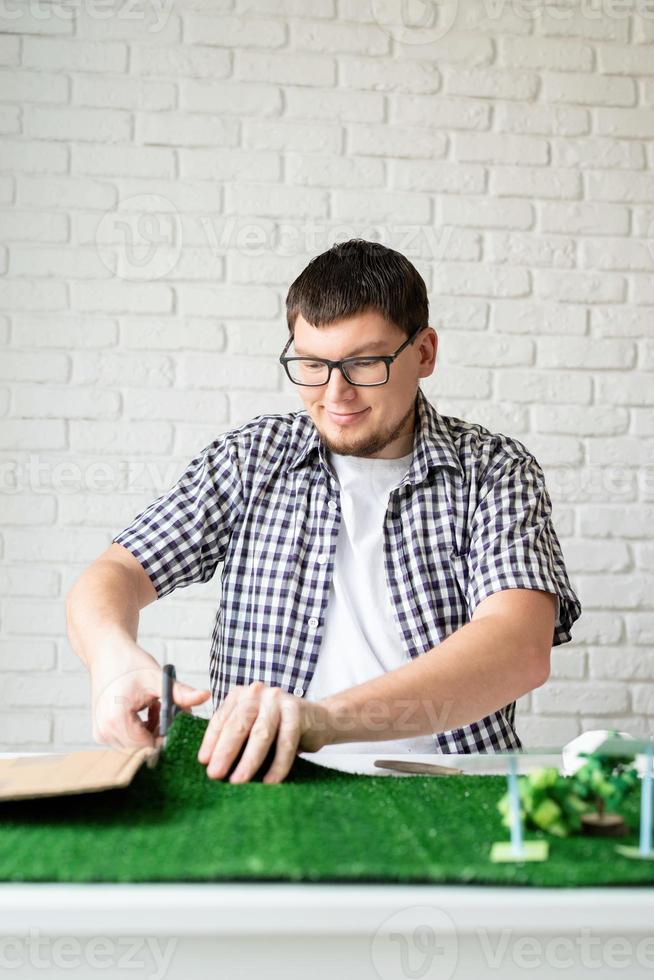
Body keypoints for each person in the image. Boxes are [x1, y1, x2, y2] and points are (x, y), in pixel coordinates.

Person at [66, 239, 582, 784]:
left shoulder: (494, 470)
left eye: (364, 363)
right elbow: (115, 573)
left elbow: (518, 647)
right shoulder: (251, 459)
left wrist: (320, 721)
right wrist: (111, 659)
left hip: (451, 785)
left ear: (425, 353)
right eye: (312, 364)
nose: (335, 394)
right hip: (267, 787)